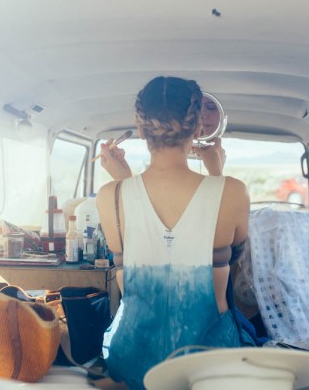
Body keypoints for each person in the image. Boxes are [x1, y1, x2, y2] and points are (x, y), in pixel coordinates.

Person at [96, 76, 251, 389]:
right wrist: (217, 174)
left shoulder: (109, 196)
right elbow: (235, 256)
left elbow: (136, 233)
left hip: (134, 360)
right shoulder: (233, 192)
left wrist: (122, 182)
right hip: (210, 362)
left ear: (141, 130)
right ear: (197, 129)